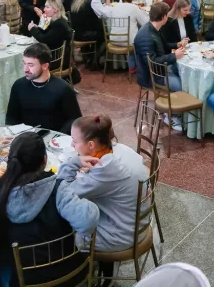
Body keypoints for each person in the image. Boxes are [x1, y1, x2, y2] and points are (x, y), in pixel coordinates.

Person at [0, 132, 99, 287]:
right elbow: (88, 222)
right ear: (45, 160)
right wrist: (92, 206)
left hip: (24, 280)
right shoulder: (58, 190)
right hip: (67, 275)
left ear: (11, 161)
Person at [57, 115, 147, 279]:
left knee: (66, 229)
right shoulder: (119, 150)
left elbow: (63, 192)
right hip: (136, 221)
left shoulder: (104, 169)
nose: (71, 145)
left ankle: (83, 275)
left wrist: (75, 162)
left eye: (74, 141)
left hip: (121, 234)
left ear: (91, 145)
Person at [6, 43, 81, 133]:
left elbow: (74, 120)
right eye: (24, 63)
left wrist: (57, 137)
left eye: (31, 65)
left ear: (45, 66)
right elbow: (11, 117)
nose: (25, 69)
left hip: (54, 139)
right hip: (25, 138)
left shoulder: (63, 89)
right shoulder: (18, 85)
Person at [92, 0, 149, 74]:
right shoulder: (134, 8)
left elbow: (106, 12)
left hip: (113, 39)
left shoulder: (115, 7)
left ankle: (131, 65)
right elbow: (145, 22)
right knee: (140, 39)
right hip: (129, 42)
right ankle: (135, 65)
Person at [134, 2, 185, 93]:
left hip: (158, 71)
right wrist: (174, 56)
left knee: (183, 72)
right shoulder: (146, 36)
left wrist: (177, 44)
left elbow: (163, 46)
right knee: (184, 86)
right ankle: (176, 105)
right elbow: (153, 63)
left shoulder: (153, 28)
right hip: (152, 77)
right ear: (163, 17)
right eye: (167, 15)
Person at [28, 0, 72, 71]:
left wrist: (32, 29)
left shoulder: (59, 24)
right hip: (53, 54)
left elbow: (44, 39)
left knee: (29, 61)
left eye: (47, 7)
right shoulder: (55, 21)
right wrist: (37, 28)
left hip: (56, 59)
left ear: (55, 9)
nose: (44, 9)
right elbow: (46, 33)